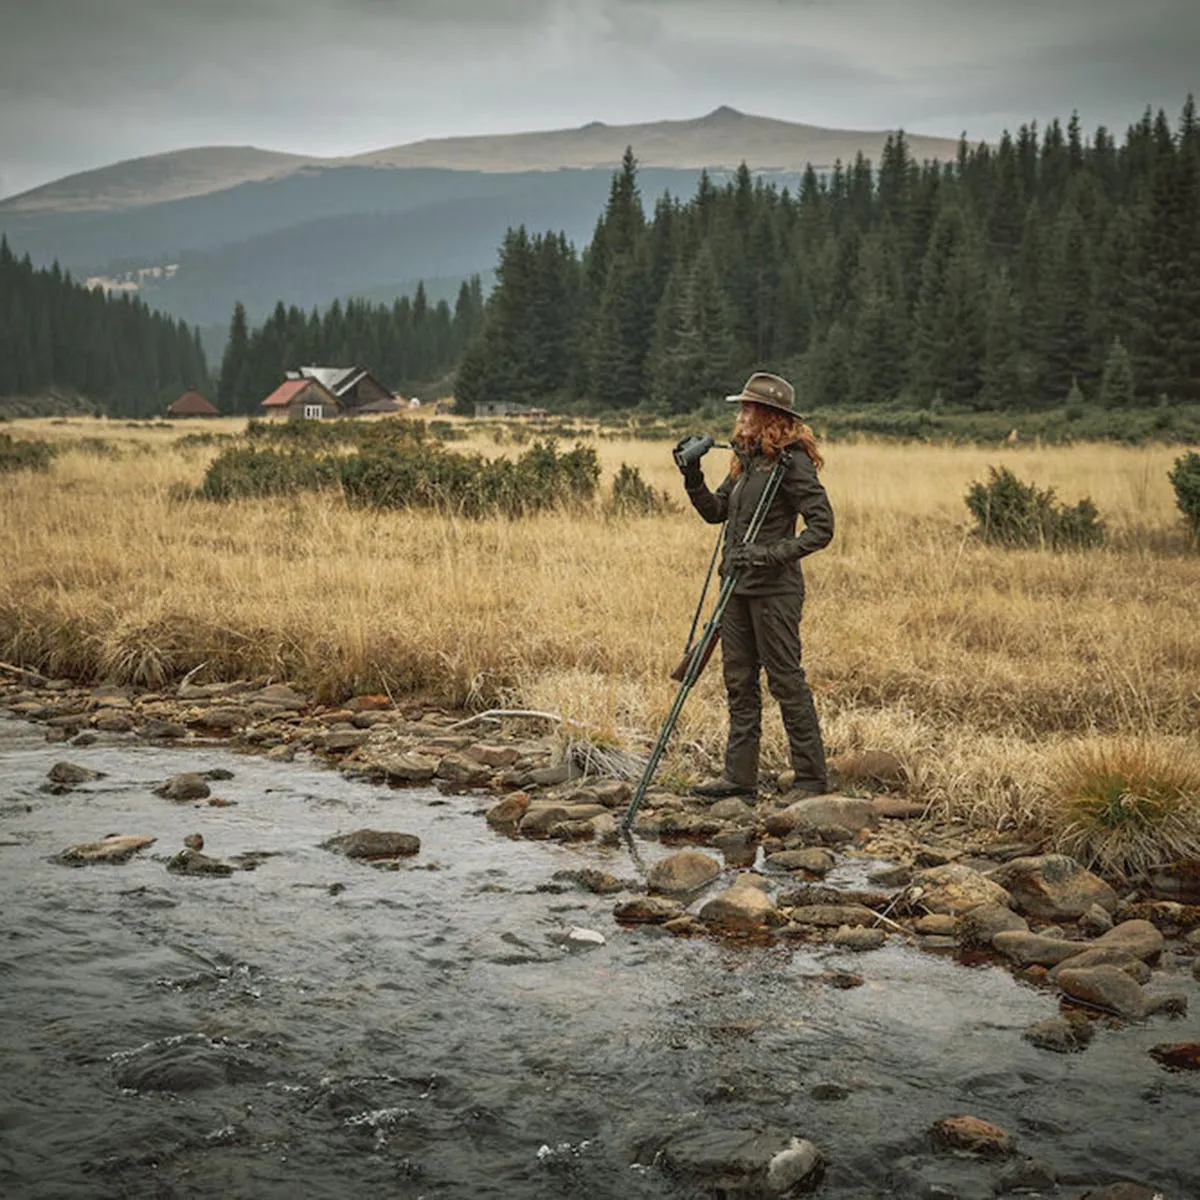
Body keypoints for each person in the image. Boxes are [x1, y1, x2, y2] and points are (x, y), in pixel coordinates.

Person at [675, 371, 834, 801]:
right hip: (737, 589)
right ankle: (738, 780)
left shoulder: (792, 462)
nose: (740, 415)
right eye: (742, 407)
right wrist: (692, 476)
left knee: (786, 681)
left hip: (775, 591)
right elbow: (717, 511)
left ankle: (811, 782)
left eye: (747, 408)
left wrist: (764, 555)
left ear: (770, 415)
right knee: (739, 683)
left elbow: (822, 529)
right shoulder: (746, 459)